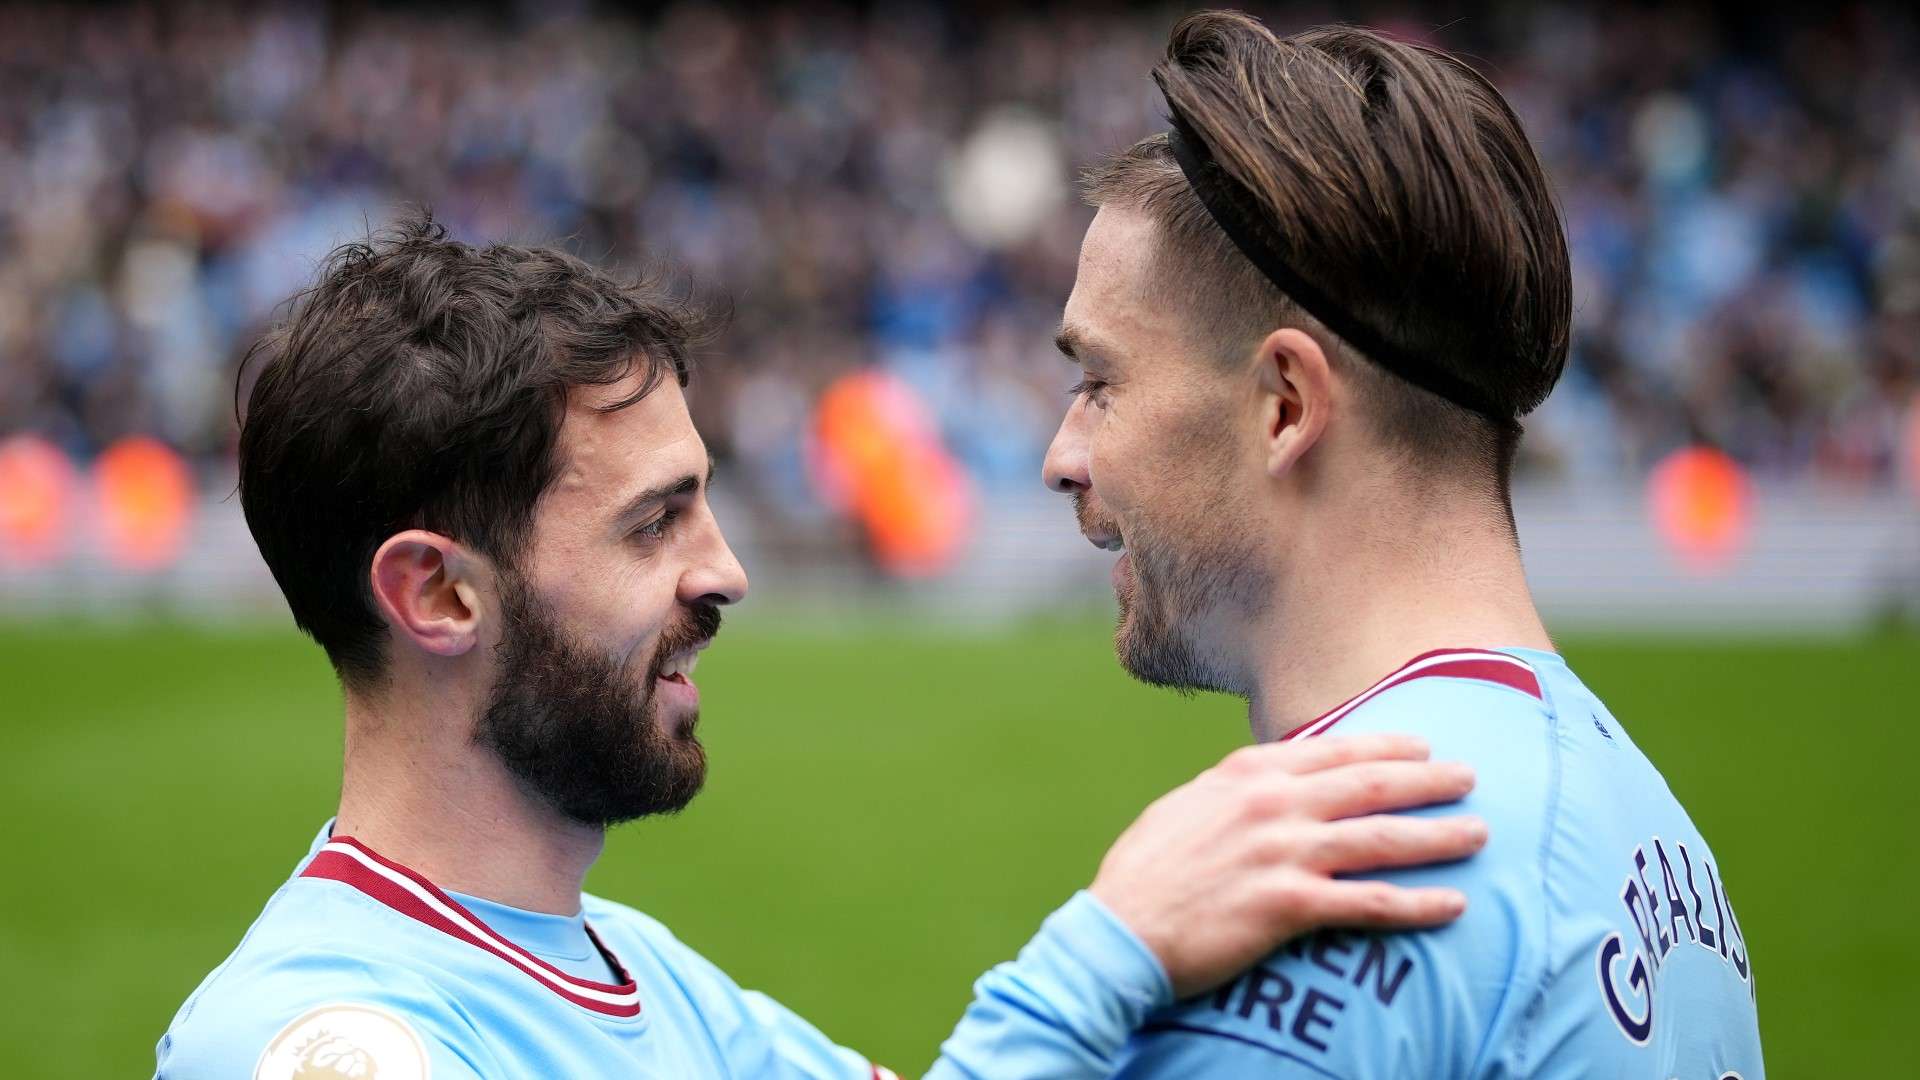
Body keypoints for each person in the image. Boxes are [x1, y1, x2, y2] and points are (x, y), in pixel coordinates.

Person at [155, 214, 1493, 1079]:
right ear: (439, 598)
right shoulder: (322, 1042)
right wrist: (1105, 952)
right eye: (652, 524)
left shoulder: (644, 979)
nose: (725, 569)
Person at [1040, 13, 1765, 1078]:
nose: (1064, 454)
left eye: (1100, 383)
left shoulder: (1334, 891)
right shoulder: (1649, 828)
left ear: (1285, 405)